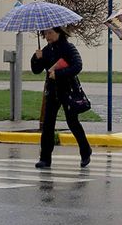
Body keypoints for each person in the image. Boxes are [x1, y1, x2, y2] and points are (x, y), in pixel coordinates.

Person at [30, 26, 92, 169]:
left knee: (72, 122)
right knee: (48, 125)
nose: (47, 36)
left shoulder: (68, 47)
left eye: (50, 33)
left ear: (58, 32)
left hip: (68, 90)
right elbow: (36, 70)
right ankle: (45, 159)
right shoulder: (46, 50)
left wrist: (59, 74)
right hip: (52, 91)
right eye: (45, 33)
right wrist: (36, 58)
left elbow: (77, 66)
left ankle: (85, 151)